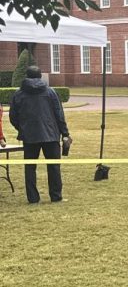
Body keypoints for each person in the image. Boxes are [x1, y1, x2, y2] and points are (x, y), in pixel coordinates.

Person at [8, 65, 72, 204]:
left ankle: (33, 198)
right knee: (54, 166)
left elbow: (13, 116)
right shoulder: (51, 92)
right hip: (51, 134)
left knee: (30, 167)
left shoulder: (19, 94)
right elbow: (59, 114)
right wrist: (65, 133)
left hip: (30, 136)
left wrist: (22, 128)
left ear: (26, 76)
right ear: (40, 76)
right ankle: (56, 196)